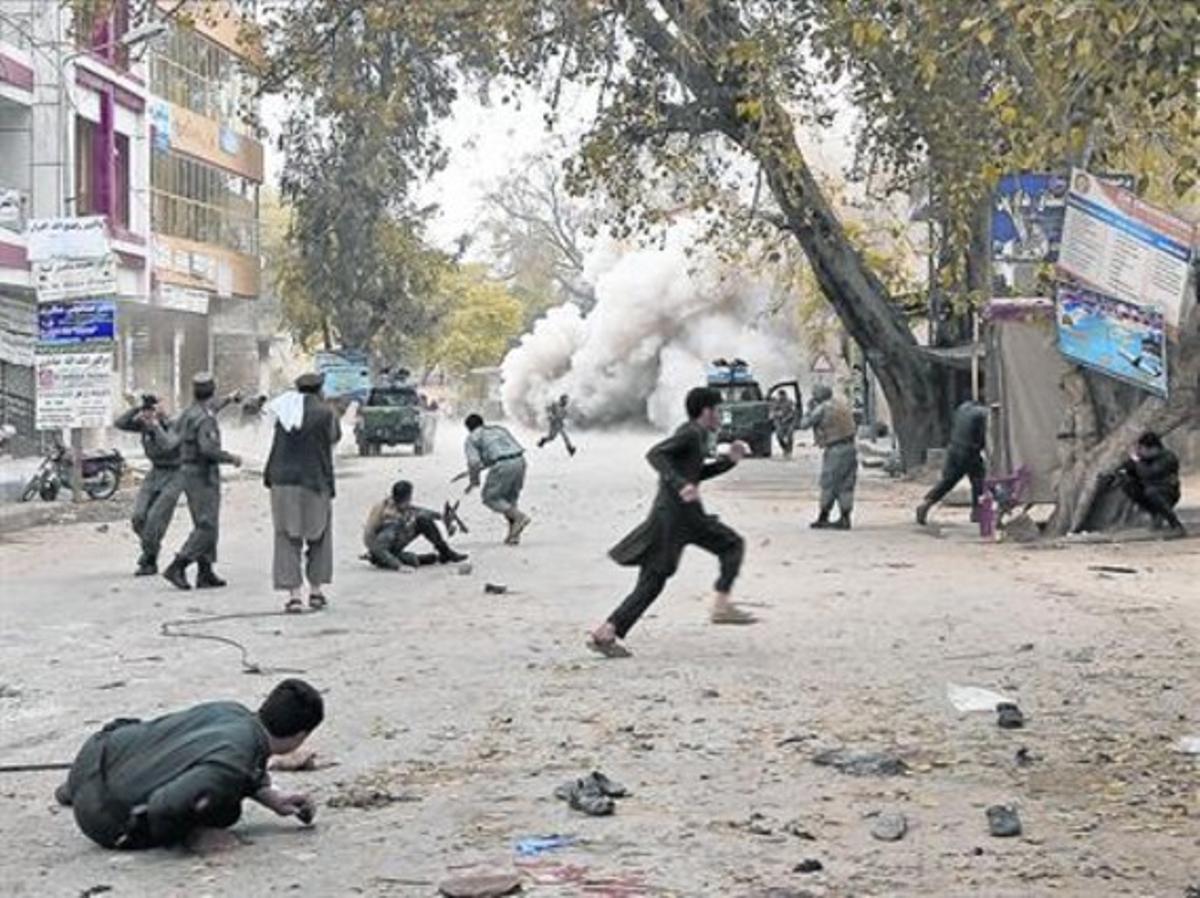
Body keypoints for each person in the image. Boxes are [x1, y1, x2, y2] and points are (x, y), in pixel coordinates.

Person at [55, 679, 323, 851]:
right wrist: (193, 835)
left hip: (93, 755)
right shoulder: (237, 762)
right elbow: (165, 805)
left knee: (168, 744)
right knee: (227, 810)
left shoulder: (230, 710)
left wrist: (271, 796)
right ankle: (84, 796)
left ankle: (74, 788)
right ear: (300, 737)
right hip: (103, 819)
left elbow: (226, 760)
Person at [588, 387, 755, 658]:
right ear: (707, 411)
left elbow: (695, 473)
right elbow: (656, 454)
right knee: (730, 545)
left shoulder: (697, 435)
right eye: (719, 410)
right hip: (677, 517)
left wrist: (728, 462)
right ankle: (721, 606)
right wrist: (680, 485)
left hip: (681, 515)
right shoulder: (690, 432)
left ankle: (605, 632)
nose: (721, 416)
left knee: (654, 581)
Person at [264, 372, 341, 614]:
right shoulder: (326, 412)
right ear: (320, 389)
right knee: (319, 535)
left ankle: (294, 596)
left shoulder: (284, 410)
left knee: (286, 537)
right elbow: (334, 438)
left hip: (282, 481)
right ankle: (316, 592)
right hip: (315, 481)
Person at [162, 373, 242, 591]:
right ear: (212, 390)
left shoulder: (190, 412)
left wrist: (230, 398)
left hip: (188, 471)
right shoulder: (205, 418)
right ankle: (178, 565)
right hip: (202, 473)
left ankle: (205, 572)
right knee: (207, 525)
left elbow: (214, 406)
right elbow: (208, 449)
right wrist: (231, 458)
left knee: (205, 521)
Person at [115, 395, 182, 575]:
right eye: (146, 410)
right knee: (138, 518)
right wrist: (137, 408)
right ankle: (151, 549)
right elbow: (120, 423)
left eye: (151, 409)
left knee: (154, 519)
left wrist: (156, 425)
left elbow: (169, 445)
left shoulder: (175, 424)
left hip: (175, 474)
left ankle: (149, 560)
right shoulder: (143, 424)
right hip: (155, 473)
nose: (147, 414)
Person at [363, 480, 468, 569]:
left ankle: (445, 552)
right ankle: (393, 559)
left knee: (423, 520)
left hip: (389, 543)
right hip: (380, 550)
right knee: (413, 559)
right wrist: (398, 566)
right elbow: (379, 548)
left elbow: (416, 510)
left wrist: (440, 517)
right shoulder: (390, 519)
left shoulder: (395, 502)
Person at [916, 399, 989, 526]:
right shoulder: (983, 414)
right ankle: (977, 512)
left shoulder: (962, 408)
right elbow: (985, 436)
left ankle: (927, 502)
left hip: (953, 449)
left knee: (948, 481)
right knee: (979, 481)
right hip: (970, 451)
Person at [463, 414, 531, 544]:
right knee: (510, 500)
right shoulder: (499, 429)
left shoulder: (472, 438)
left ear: (468, 428)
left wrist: (474, 481)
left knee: (490, 498)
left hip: (502, 465)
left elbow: (474, 463)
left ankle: (520, 518)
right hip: (520, 461)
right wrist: (488, 462)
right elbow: (505, 448)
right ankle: (514, 535)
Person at [800, 384, 859, 529]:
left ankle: (823, 516)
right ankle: (845, 518)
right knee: (846, 484)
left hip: (835, 449)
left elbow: (804, 424)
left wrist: (808, 410)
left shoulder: (822, 408)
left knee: (829, 483)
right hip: (850, 448)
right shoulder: (842, 405)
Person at [1114, 431, 1185, 536]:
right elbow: (1127, 470)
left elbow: (1149, 474)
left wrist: (1137, 462)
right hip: (1150, 491)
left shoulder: (1168, 458)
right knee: (1128, 484)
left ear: (1153, 448)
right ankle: (1155, 515)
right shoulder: (1144, 459)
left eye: (1142, 449)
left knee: (1151, 491)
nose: (1140, 452)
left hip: (1168, 493)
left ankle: (1175, 524)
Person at [769, 391, 797, 458]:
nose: (782, 397)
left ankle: (789, 450)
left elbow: (793, 412)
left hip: (789, 422)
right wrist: (777, 414)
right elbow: (772, 412)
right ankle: (785, 448)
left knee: (790, 435)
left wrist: (787, 417)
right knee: (779, 436)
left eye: (783, 396)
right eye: (780, 396)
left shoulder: (790, 402)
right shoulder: (776, 402)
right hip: (779, 422)